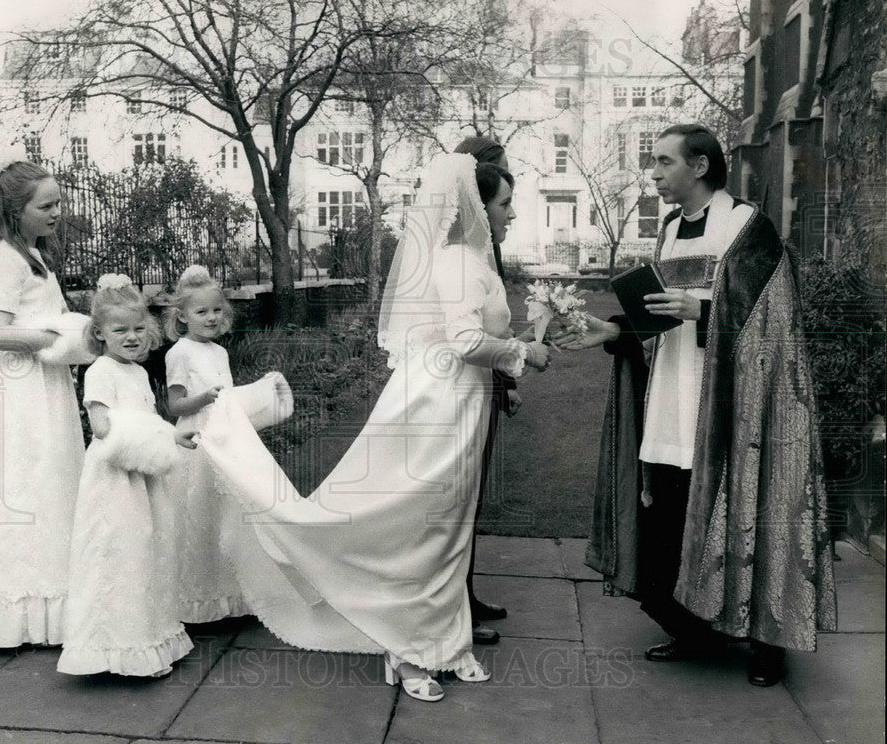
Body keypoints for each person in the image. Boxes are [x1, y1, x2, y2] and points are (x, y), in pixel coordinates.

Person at [197, 154, 548, 702]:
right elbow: (465, 342)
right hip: (438, 407)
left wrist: (524, 341)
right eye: (504, 203)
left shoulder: (470, 260)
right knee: (425, 530)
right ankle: (409, 653)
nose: (510, 214)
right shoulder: (457, 262)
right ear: (474, 206)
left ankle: (447, 645)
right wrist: (525, 350)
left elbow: (475, 336)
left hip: (459, 402)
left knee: (449, 529)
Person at [557, 124, 836, 687]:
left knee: (746, 512)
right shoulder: (666, 230)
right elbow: (659, 319)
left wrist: (707, 312)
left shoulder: (746, 229)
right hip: (672, 400)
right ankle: (691, 627)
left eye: (663, 162)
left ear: (701, 166)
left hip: (735, 410)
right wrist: (612, 332)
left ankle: (766, 642)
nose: (654, 173)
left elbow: (778, 326)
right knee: (668, 523)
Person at [0, 159, 87, 649]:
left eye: (59, 202)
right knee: (25, 487)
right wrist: (57, 335)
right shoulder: (3, 259)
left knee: (52, 485)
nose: (58, 212)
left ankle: (52, 606)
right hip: (17, 385)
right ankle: (17, 613)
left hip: (42, 380)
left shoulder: (33, 255)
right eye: (46, 205)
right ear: (16, 210)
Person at [57, 275, 195, 677]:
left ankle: (149, 635)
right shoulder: (99, 371)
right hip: (115, 477)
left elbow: (149, 422)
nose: (132, 338)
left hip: (144, 473)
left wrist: (172, 436)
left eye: (138, 329)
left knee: (148, 549)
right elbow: (102, 426)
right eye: (121, 330)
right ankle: (119, 646)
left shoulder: (137, 373)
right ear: (100, 333)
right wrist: (149, 437)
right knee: (118, 553)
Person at [453, 136, 522, 646]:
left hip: (483, 383)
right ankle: (453, 605)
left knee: (471, 502)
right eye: (499, 179)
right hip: (455, 390)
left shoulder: (483, 246)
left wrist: (504, 385)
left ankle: (465, 594)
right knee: (456, 503)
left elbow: (492, 324)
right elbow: (468, 332)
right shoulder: (460, 255)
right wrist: (515, 362)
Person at [163, 265, 249, 624]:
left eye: (217, 310)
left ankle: (227, 595)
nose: (211, 318)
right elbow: (175, 406)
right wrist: (204, 399)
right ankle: (195, 600)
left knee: (225, 514)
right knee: (197, 514)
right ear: (183, 316)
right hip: (197, 438)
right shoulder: (180, 353)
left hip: (224, 437)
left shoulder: (219, 352)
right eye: (201, 312)